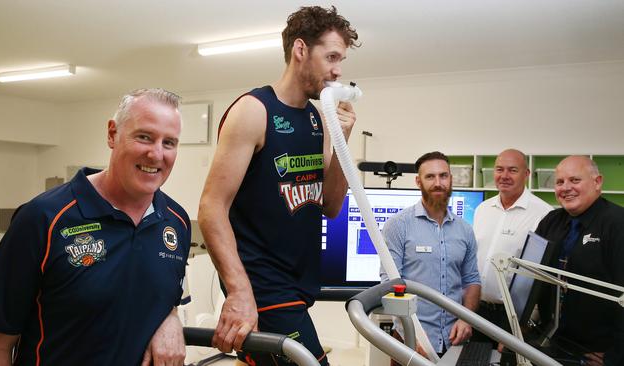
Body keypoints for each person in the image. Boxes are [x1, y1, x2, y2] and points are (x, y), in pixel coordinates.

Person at [0, 89, 191, 366]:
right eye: (144, 137)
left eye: (169, 142)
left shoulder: (176, 222)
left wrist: (171, 317)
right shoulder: (43, 218)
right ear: (112, 134)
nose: (156, 153)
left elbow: (167, 293)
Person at [197, 6, 359, 366]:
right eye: (331, 56)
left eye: (341, 60)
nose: (338, 70)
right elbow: (211, 208)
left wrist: (342, 138)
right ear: (300, 50)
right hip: (262, 286)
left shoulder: (316, 118)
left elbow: (330, 206)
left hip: (298, 285)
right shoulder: (254, 110)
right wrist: (238, 293)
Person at [380, 151, 481, 361]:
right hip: (411, 340)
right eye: (430, 177)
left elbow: (471, 280)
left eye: (443, 176)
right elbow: (390, 284)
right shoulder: (398, 226)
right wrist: (411, 333)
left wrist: (466, 320)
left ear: (451, 179)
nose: (438, 183)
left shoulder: (465, 230)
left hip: (454, 339)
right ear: (418, 181)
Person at [533, 156, 623, 366]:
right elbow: (532, 278)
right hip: (554, 343)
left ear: (597, 182)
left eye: (574, 180)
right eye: (559, 182)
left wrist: (617, 356)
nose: (566, 188)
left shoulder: (617, 224)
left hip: (598, 351)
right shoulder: (551, 221)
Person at [472, 149, 552, 337]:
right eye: (500, 169)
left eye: (512, 170)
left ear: (526, 174)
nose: (504, 176)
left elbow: (542, 274)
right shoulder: (483, 209)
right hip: (477, 310)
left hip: (513, 317)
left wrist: (527, 322)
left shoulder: (544, 214)